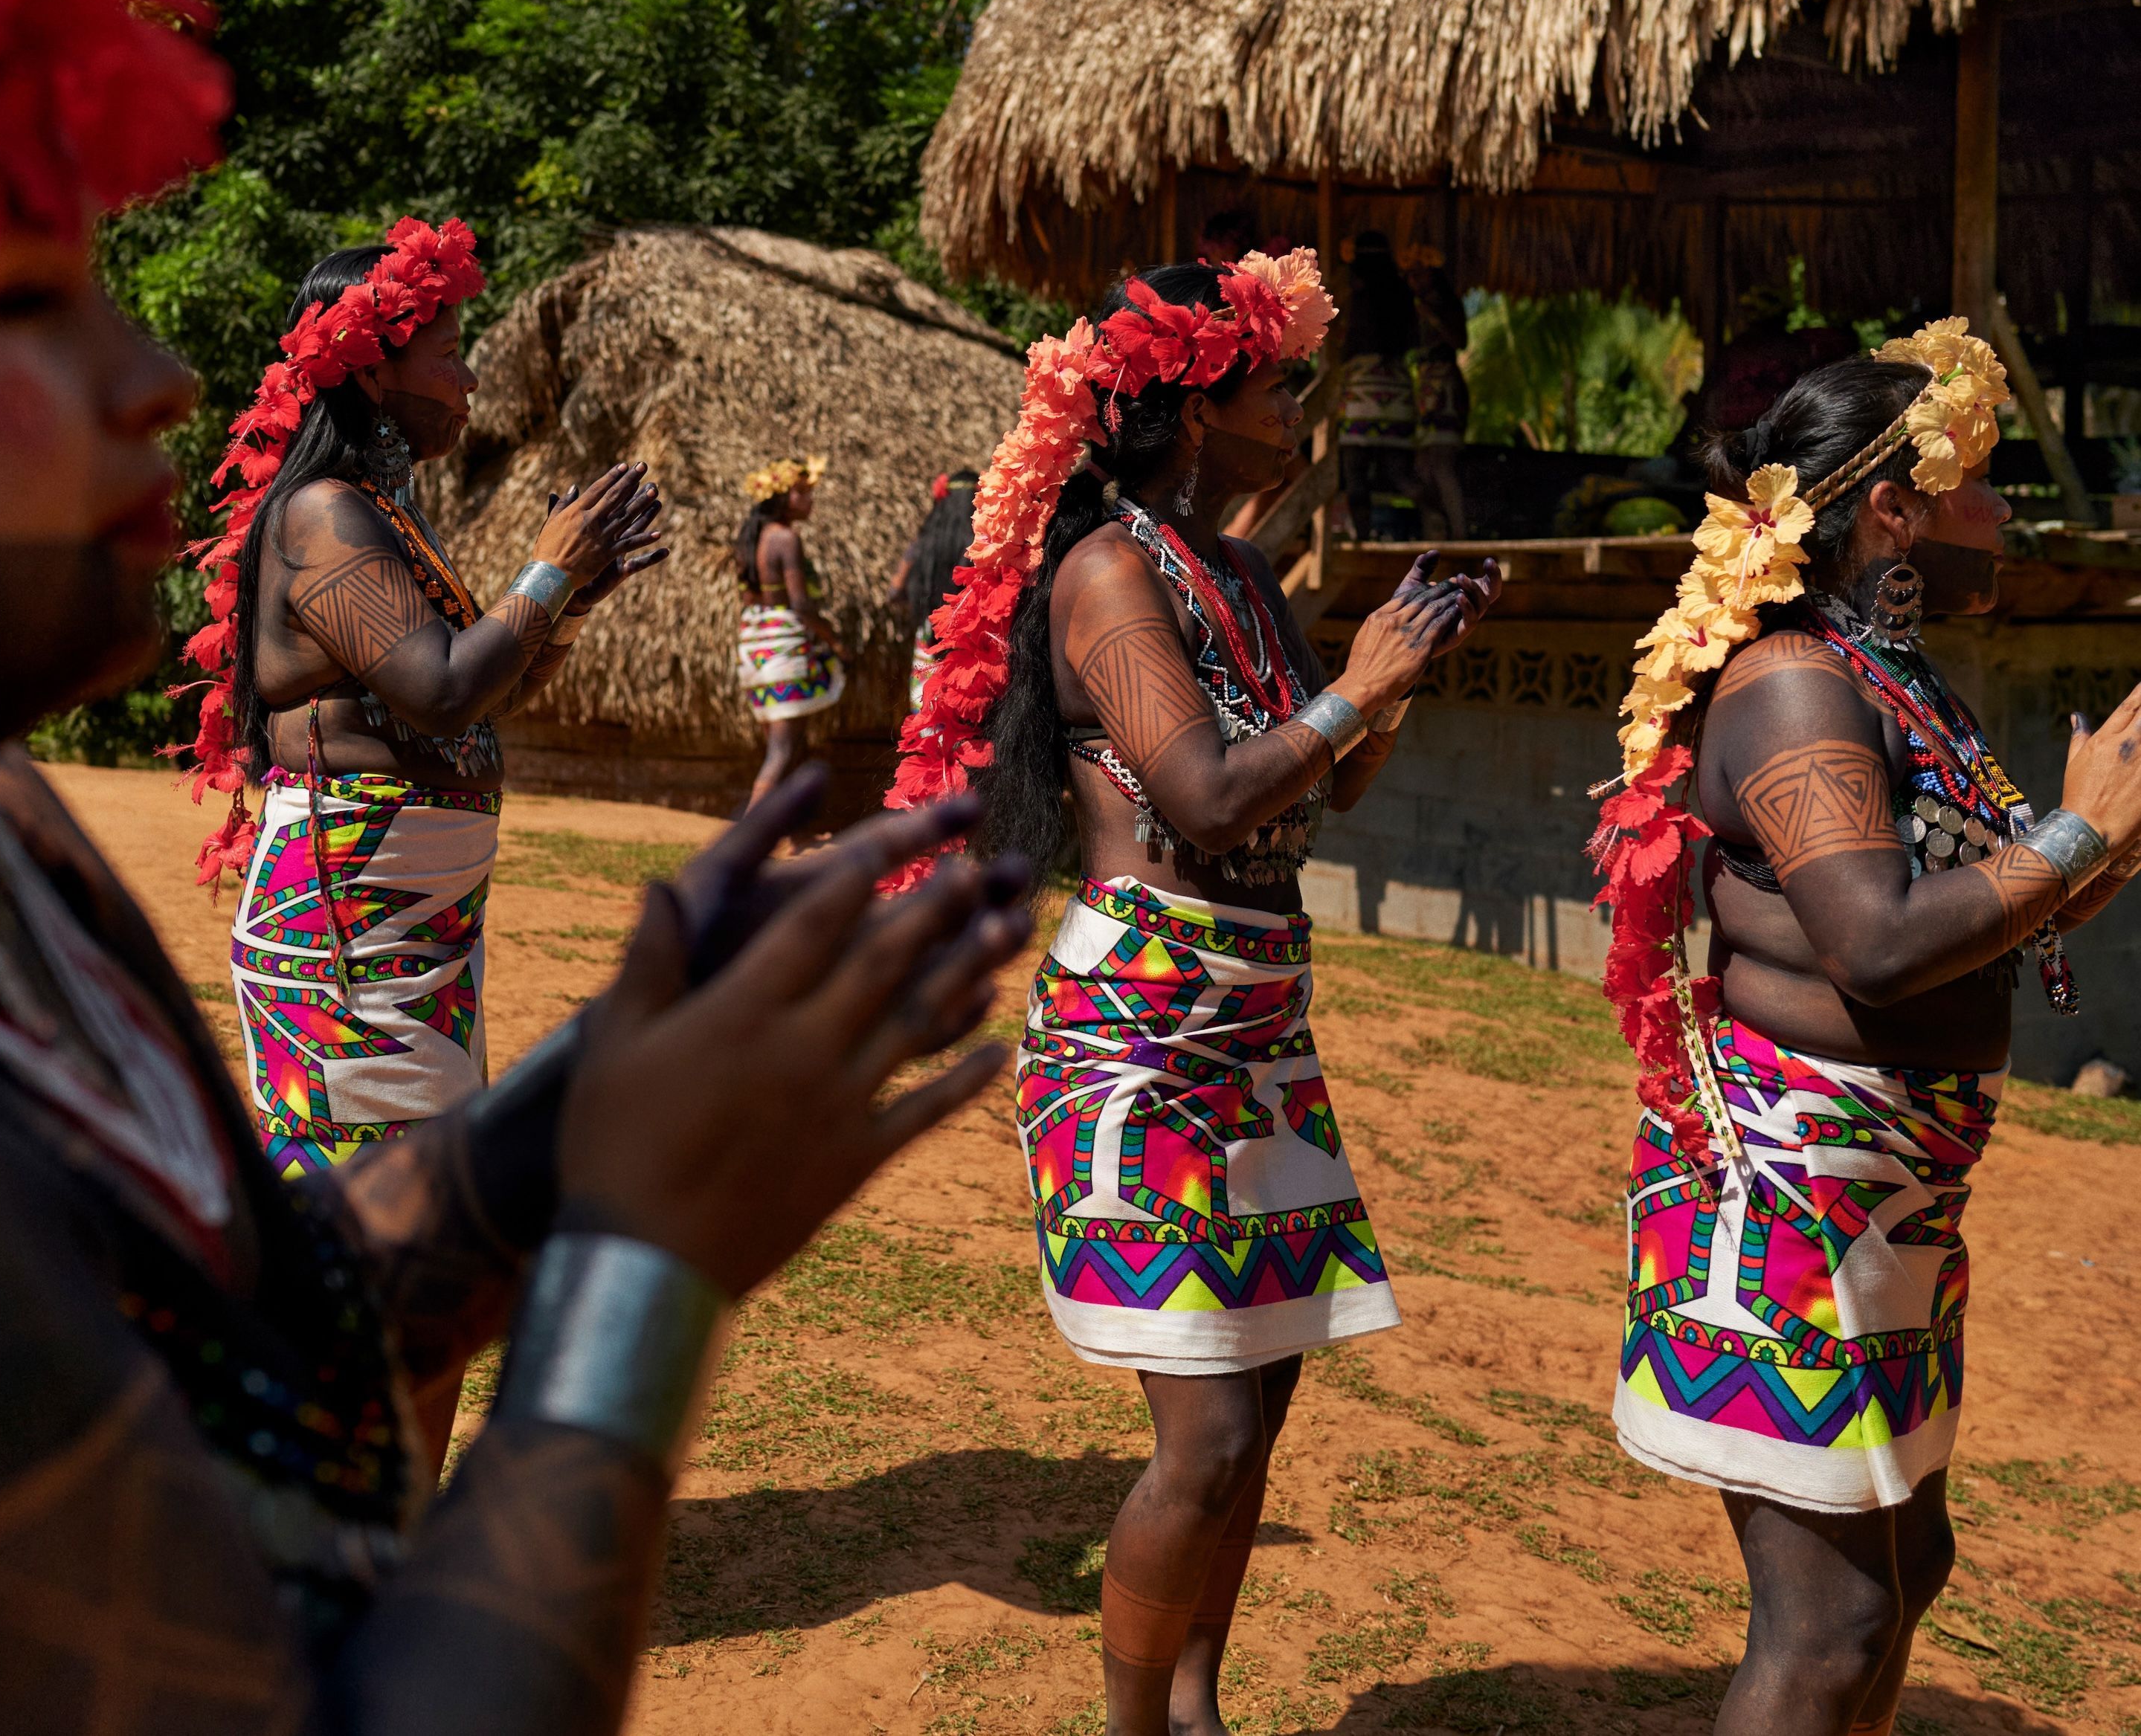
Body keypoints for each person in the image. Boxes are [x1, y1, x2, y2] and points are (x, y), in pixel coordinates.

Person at [0, 0, 1032, 1730]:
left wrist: (591, 1113)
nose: (152, 370)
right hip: (349, 920)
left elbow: (277, 1321)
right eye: (24, 305)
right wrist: (644, 1272)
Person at [890, 254, 1502, 1736]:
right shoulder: (1109, 569)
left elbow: (1324, 778)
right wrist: (1352, 685)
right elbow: (1209, 793)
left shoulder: (1228, 569)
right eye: (1278, 379)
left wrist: (1390, 682)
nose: (1299, 401)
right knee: (1208, 1423)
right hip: (1142, 1033)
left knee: (1260, 1409)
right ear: (1194, 402)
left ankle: (1194, 1704)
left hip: (1254, 1029)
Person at [1592, 327, 2141, 1736]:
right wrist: (2080, 827)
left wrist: (2103, 844)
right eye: (1981, 481)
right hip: (1787, 1195)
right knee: (1829, 1621)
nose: (2005, 510)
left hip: (1888, 1206)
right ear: (1889, 506)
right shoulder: (1793, 685)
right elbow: (1879, 941)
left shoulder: (1897, 682)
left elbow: (1971, 905)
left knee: (1907, 1566)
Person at [192, 225, 669, 1213]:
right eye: (450, 356)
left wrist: (570, 602)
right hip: (348, 939)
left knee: (424, 1247)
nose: (467, 384)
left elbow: (479, 705)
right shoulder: (323, 513)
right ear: (372, 372)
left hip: (413, 933)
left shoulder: (382, 516)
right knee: (384, 1254)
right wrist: (546, 569)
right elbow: (444, 687)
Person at [735, 452, 845, 806]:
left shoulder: (750, 539)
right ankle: (749, 836)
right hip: (783, 649)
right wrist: (834, 640)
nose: (810, 499)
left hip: (756, 644)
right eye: (802, 491)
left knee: (784, 745)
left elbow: (749, 597)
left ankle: (784, 833)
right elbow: (801, 605)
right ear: (782, 496)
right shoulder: (785, 538)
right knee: (781, 751)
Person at [1336, 233, 1419, 541]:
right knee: (1400, 475)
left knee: (1355, 473)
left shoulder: (1358, 296)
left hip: (1361, 388)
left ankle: (1361, 535)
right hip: (1396, 387)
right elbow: (1414, 340)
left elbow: (1347, 343)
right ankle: (1441, 523)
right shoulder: (1402, 293)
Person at [890, 467, 979, 716]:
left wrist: (922, 602)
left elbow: (894, 592)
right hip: (973, 643)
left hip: (930, 639)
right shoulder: (984, 543)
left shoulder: (924, 544)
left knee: (932, 723)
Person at [1397, 239, 1469, 538]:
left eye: (1421, 273)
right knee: (1424, 466)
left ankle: (1460, 533)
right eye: (1411, 275)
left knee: (1440, 461)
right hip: (1425, 387)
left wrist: (1433, 316)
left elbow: (1460, 342)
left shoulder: (1444, 304)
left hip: (1445, 388)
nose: (1416, 280)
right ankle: (1437, 533)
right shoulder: (1412, 309)